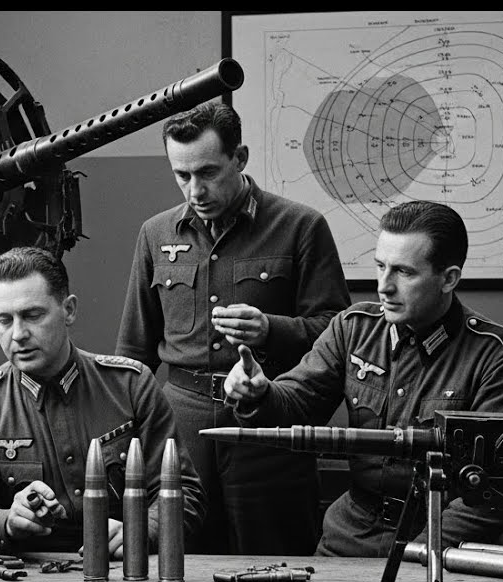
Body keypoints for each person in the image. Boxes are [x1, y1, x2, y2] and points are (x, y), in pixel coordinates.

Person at [222, 200, 503, 556]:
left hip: (438, 545)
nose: (384, 286)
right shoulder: (353, 328)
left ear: (448, 279)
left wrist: (417, 555)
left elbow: (492, 494)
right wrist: (260, 393)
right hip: (348, 538)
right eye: (380, 266)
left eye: (404, 272)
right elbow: (298, 402)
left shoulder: (495, 356)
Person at [116, 101, 351, 555]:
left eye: (208, 172)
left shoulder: (300, 227)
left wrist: (270, 330)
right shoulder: (155, 234)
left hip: (270, 430)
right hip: (180, 432)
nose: (195, 190)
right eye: (182, 175)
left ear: (239, 158)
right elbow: (133, 352)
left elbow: (337, 335)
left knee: (277, 559)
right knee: (180, 562)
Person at [0, 247, 205, 556]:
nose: (18, 334)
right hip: (27, 576)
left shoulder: (131, 385)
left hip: (126, 570)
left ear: (69, 310)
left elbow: (185, 494)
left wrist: (142, 530)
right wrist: (7, 522)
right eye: (4, 320)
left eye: (32, 315)